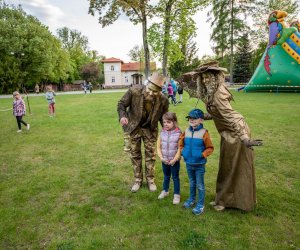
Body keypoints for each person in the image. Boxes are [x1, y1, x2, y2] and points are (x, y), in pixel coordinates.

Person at [180, 61, 263, 212]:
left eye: (208, 77)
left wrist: (244, 138)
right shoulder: (211, 93)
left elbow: (231, 117)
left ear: (216, 77)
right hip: (228, 132)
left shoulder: (218, 94)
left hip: (235, 133)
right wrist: (201, 117)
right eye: (203, 77)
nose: (205, 80)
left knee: (232, 168)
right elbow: (217, 115)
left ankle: (227, 201)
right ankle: (224, 198)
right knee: (228, 167)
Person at [117, 72, 169, 192]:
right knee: (135, 154)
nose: (151, 93)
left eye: (155, 92)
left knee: (151, 155)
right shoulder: (134, 90)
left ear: (160, 91)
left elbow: (164, 117)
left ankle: (150, 180)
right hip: (134, 127)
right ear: (147, 84)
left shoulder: (163, 99)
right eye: (150, 89)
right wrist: (122, 116)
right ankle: (138, 180)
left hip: (150, 130)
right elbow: (121, 104)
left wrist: (167, 129)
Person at [179, 108, 214, 215]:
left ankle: (200, 205)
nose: (192, 120)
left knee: (200, 185)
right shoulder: (186, 131)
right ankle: (191, 199)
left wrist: (202, 155)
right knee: (192, 183)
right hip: (189, 163)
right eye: (190, 118)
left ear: (201, 120)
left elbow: (210, 148)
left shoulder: (204, 133)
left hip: (199, 165)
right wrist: (182, 152)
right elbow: (181, 143)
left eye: (194, 118)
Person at [157, 112, 182, 205]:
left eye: (168, 122)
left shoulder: (179, 133)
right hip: (164, 160)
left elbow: (180, 148)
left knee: (175, 177)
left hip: (174, 161)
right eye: (164, 122)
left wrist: (175, 159)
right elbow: (158, 146)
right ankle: (165, 191)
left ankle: (176, 194)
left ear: (174, 122)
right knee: (166, 176)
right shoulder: (162, 132)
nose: (166, 124)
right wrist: (161, 157)